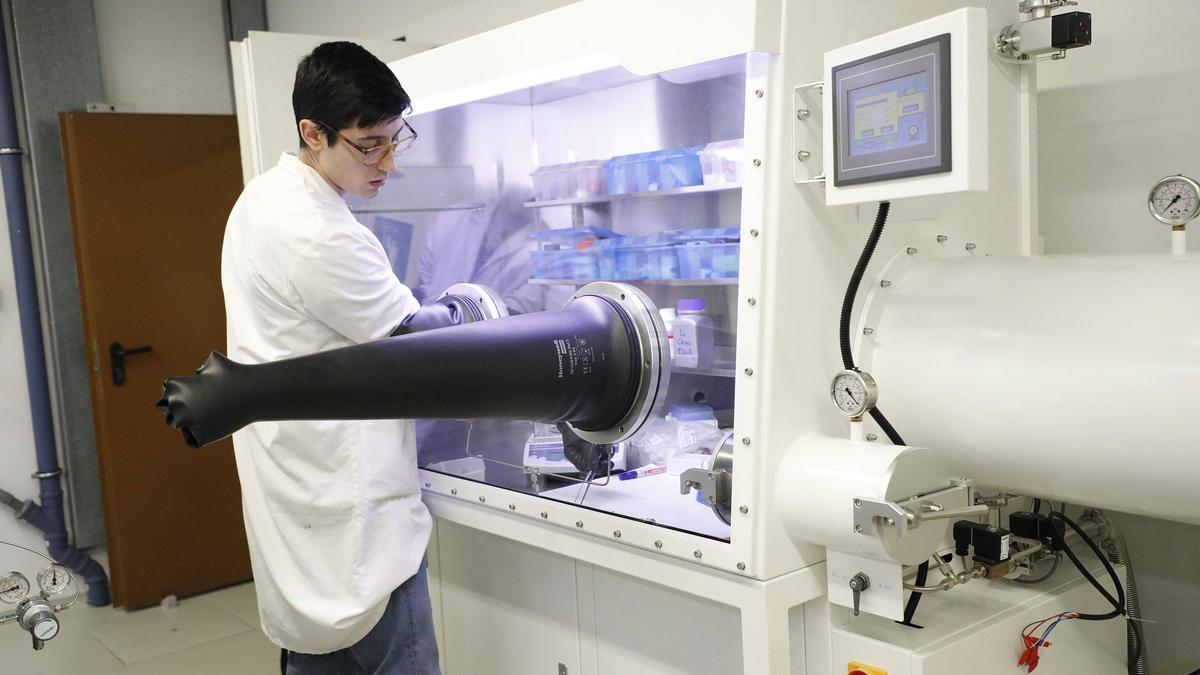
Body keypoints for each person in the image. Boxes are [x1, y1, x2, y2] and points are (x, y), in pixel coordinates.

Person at [220, 41, 441, 674]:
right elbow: (419, 351)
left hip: (299, 489)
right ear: (312, 133)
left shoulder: (260, 199)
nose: (389, 162)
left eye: (398, 138)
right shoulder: (321, 235)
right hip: (352, 520)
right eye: (370, 144)